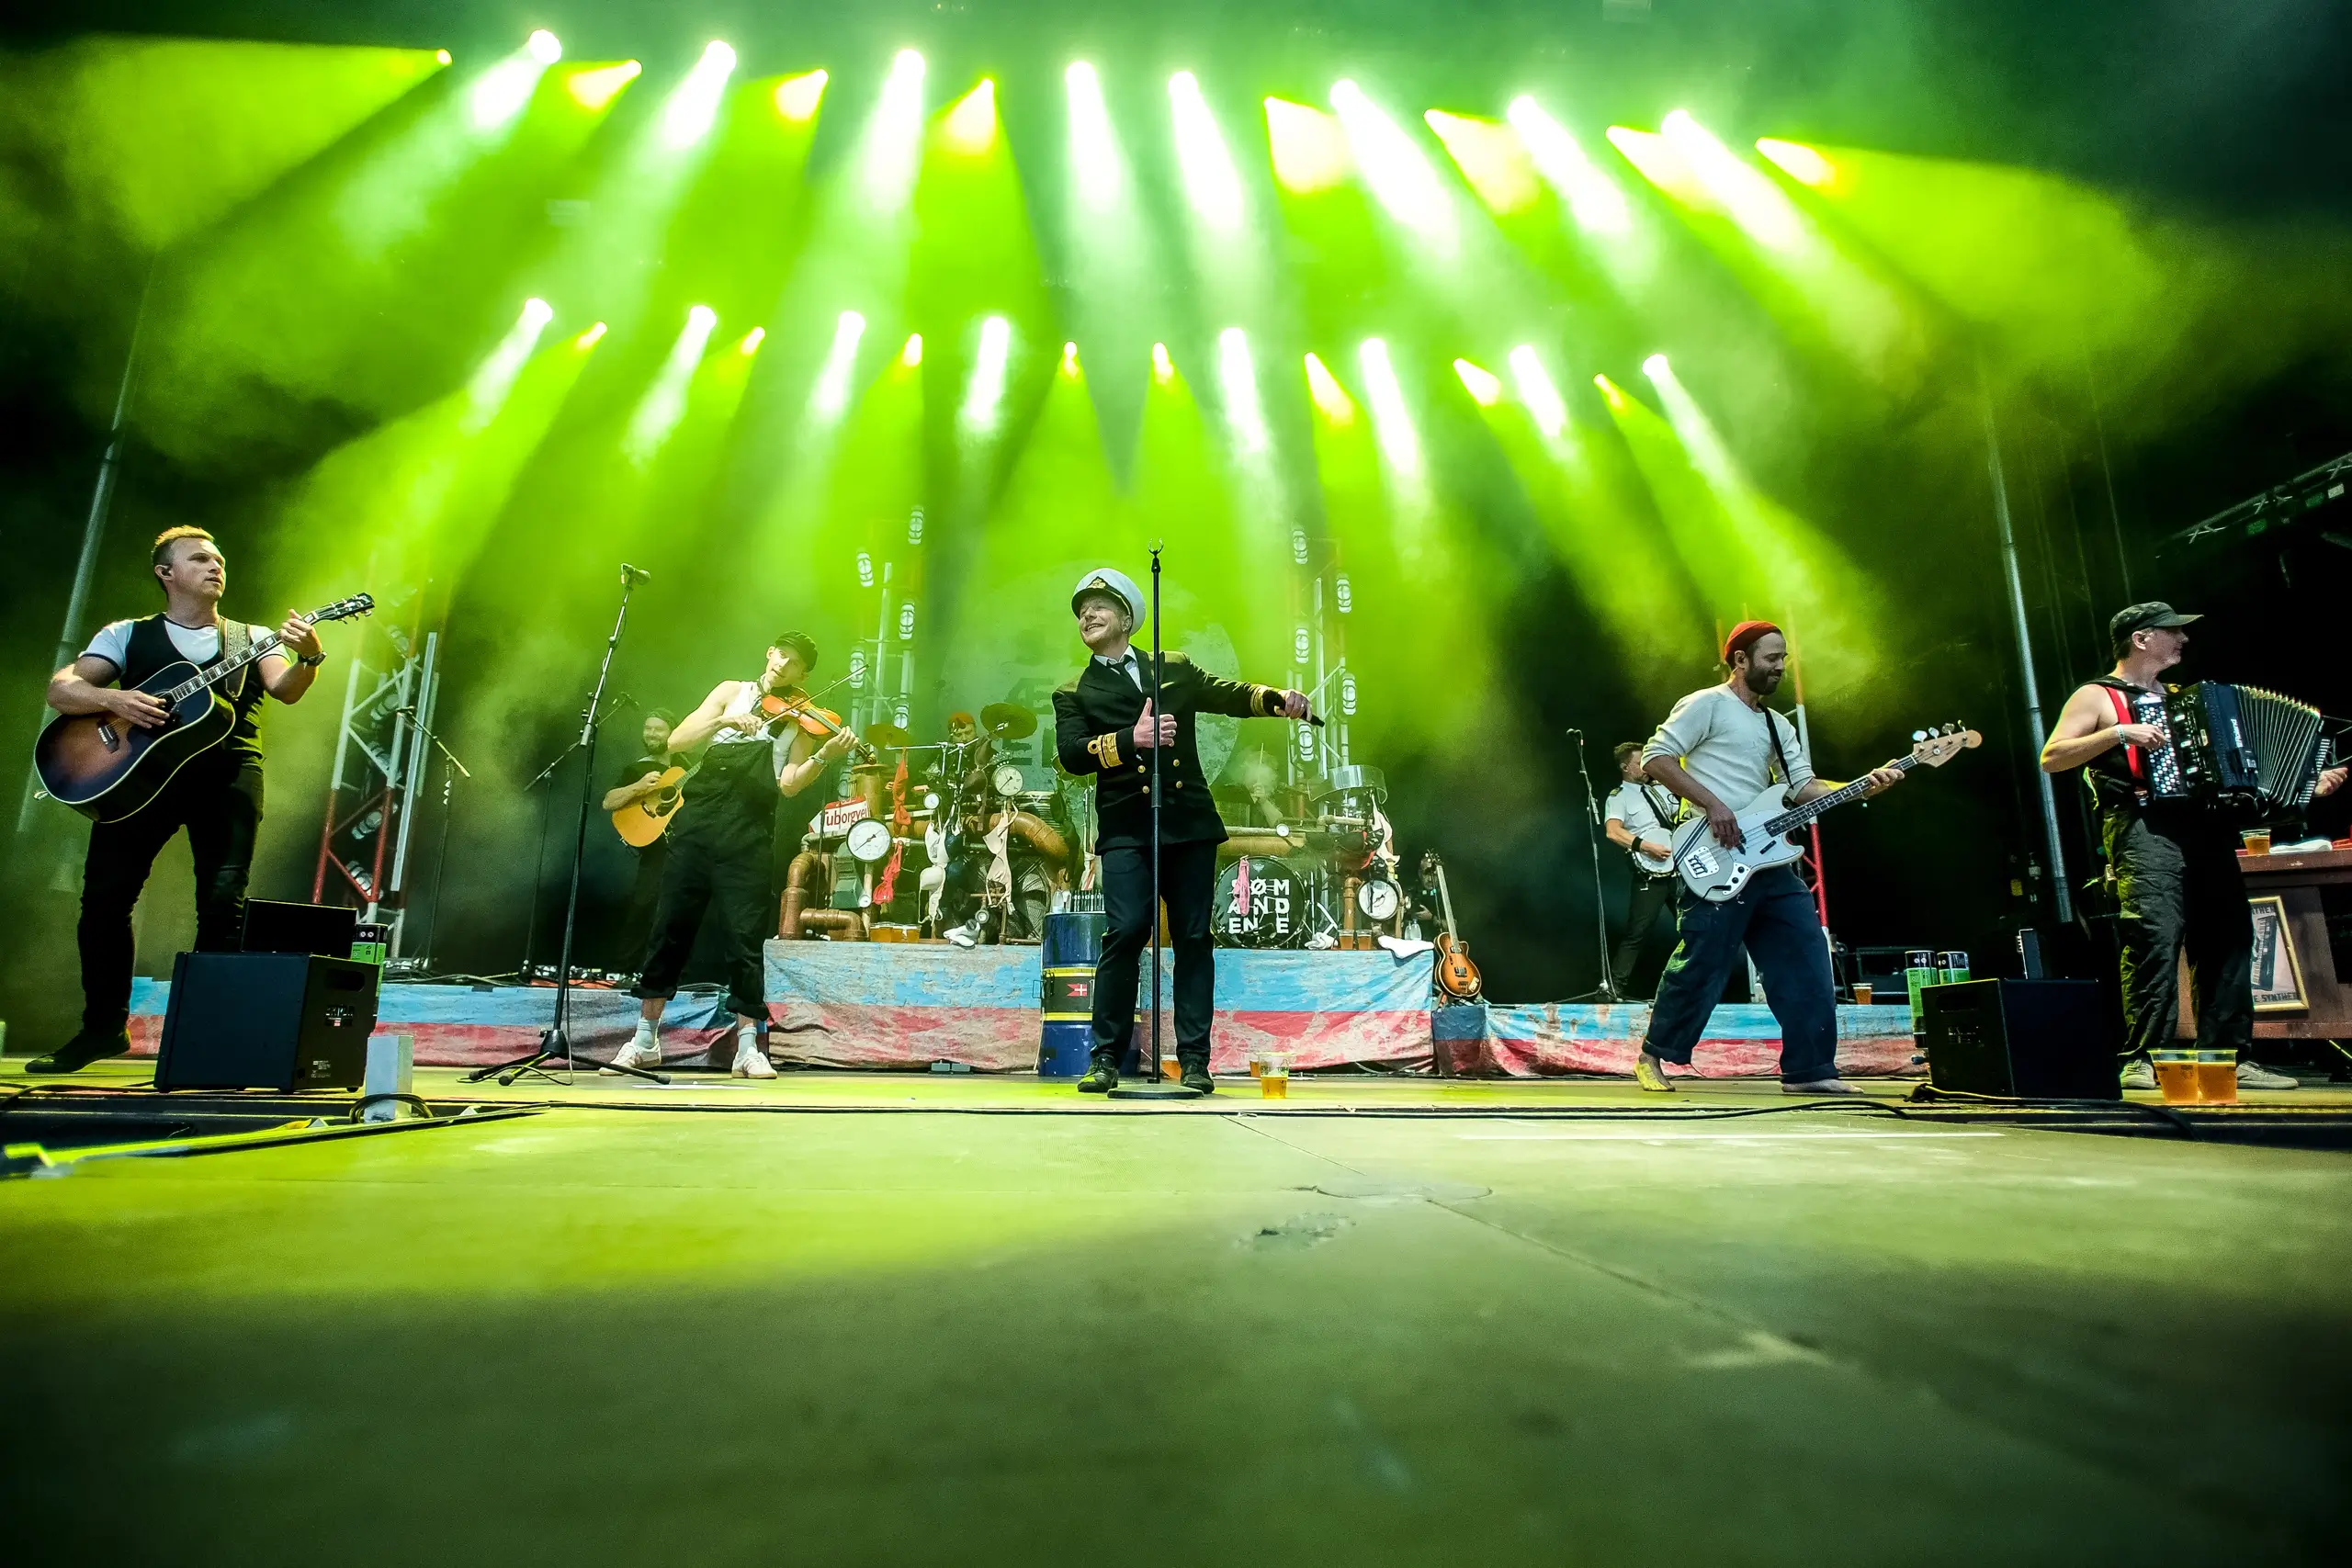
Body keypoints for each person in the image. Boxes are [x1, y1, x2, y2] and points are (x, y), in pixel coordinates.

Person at [31, 526, 326, 1073]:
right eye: (199, 559)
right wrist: (116, 698)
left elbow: (285, 690)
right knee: (105, 902)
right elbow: (61, 689)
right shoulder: (126, 634)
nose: (215, 567)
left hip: (228, 774)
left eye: (219, 560)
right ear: (166, 573)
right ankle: (102, 1029)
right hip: (140, 780)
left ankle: (205, 1042)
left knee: (222, 904)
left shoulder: (251, 637)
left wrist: (308, 658)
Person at [2040, 602, 2345, 1091]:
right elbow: (2052, 757)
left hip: (2207, 828)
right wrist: (2118, 732)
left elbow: (2240, 776)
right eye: (2172, 631)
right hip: (2144, 827)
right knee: (2154, 939)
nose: (2183, 639)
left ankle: (2228, 1059)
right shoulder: (2097, 695)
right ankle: (2144, 1058)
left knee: (2229, 940)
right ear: (2141, 639)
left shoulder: (2190, 700)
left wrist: (2306, 786)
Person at [1051, 568, 1310, 1094]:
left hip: (1188, 822)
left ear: (1127, 617)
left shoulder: (1172, 667)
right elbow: (1072, 754)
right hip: (1127, 827)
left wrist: (1275, 697)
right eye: (1081, 610)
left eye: (1099, 605)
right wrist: (1133, 738)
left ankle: (1194, 1060)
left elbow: (1226, 694)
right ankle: (1106, 1057)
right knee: (1126, 933)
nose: (1087, 615)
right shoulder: (1073, 691)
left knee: (1193, 938)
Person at [1633, 621, 1905, 1094]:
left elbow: (1803, 787)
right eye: (1771, 658)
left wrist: (1862, 786)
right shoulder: (1706, 704)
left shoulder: (1778, 725)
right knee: (1702, 964)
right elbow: (1655, 758)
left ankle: (1809, 1071)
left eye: (1784, 659)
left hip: (1770, 864)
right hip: (1713, 852)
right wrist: (1714, 805)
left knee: (1807, 961)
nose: (1780, 667)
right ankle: (1652, 1056)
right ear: (1740, 660)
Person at [609, 634, 852, 1078]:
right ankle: (644, 1041)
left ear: (803, 675)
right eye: (782, 654)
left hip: (749, 832)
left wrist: (824, 755)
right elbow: (677, 739)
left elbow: (789, 784)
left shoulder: (799, 721)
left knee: (745, 940)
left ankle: (747, 1048)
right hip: (697, 825)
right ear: (770, 654)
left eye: (795, 663)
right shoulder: (729, 691)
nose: (785, 665)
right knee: (669, 929)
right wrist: (727, 719)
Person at [600, 708, 678, 973]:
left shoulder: (686, 764)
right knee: (644, 907)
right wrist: (639, 786)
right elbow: (608, 802)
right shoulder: (637, 768)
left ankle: (668, 972)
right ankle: (624, 969)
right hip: (656, 849)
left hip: (686, 847)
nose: (652, 734)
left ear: (672, 733)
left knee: (678, 913)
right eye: (648, 728)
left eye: (659, 729)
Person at [1602, 740, 1682, 999]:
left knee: (1694, 928)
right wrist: (1646, 846)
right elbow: (1613, 832)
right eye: (1639, 763)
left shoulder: (1661, 790)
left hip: (1680, 870)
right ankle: (1613, 988)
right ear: (1625, 767)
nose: (1645, 766)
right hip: (1650, 873)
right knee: (1637, 932)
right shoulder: (1619, 797)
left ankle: (1691, 986)